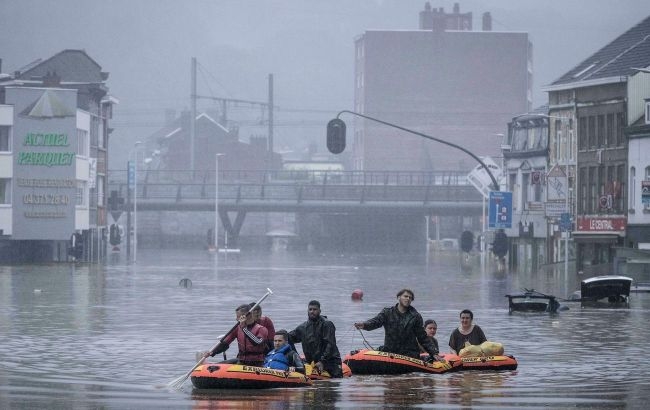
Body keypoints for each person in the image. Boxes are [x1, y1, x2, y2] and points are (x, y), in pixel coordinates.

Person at [354, 289, 438, 361]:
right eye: (405, 296)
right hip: (390, 352)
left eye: (410, 298)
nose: (408, 299)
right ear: (398, 297)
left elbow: (422, 337)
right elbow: (375, 322)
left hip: (409, 355)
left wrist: (433, 353)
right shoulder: (387, 312)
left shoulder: (416, 316)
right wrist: (364, 325)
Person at [288, 300, 343, 378]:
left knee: (334, 382)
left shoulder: (327, 324)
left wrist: (322, 361)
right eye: (310, 309)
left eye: (315, 309)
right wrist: (296, 358)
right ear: (307, 311)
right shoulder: (303, 328)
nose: (312, 311)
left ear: (319, 311)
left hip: (331, 362)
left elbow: (330, 344)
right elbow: (288, 338)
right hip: (312, 363)